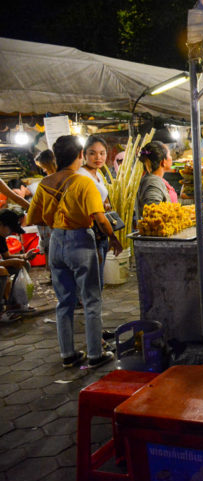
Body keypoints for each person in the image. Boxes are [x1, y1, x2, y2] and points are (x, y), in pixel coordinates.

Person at [26, 135, 122, 368]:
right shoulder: (84, 182)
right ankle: (94, 354)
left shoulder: (45, 183)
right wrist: (113, 238)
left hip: (56, 242)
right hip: (80, 240)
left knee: (64, 301)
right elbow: (99, 217)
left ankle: (67, 354)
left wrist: (58, 218)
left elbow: (35, 217)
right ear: (80, 155)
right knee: (91, 299)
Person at [78, 136, 113, 288]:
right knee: (93, 281)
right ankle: (88, 308)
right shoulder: (81, 175)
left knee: (97, 278)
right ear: (84, 154)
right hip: (89, 232)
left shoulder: (98, 174)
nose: (98, 157)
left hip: (100, 231)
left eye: (102, 153)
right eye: (92, 153)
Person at [0, 209, 38, 318]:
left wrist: (24, 256)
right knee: (2, 271)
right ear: (1, 224)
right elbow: (7, 261)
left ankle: (13, 304)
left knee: (24, 264)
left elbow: (6, 256)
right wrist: (13, 261)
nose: (10, 233)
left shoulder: (1, 236)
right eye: (10, 229)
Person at [135, 141, 177, 219]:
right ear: (163, 162)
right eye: (169, 155)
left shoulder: (155, 179)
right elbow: (153, 213)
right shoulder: (153, 182)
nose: (171, 158)